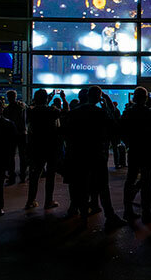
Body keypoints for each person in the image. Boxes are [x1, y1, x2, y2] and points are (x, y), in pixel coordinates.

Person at [62, 86, 126, 231]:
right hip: (96, 153)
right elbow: (114, 128)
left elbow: (66, 133)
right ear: (99, 97)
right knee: (103, 186)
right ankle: (109, 216)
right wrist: (107, 106)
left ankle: (83, 219)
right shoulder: (100, 112)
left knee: (81, 186)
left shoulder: (74, 112)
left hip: (78, 154)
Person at [120, 86, 151, 224]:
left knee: (130, 179)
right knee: (146, 181)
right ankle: (146, 212)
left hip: (134, 149)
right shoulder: (149, 112)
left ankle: (127, 209)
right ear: (145, 98)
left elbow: (122, 130)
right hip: (147, 150)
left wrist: (129, 143)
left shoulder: (128, 112)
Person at [25, 89, 61, 210]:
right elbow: (63, 113)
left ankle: (30, 200)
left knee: (34, 175)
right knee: (50, 175)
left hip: (36, 146)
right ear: (46, 99)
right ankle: (48, 201)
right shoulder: (53, 111)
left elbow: (36, 107)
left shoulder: (31, 111)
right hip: (51, 146)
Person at [4, 90, 28, 185]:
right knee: (23, 156)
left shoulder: (7, 109)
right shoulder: (22, 107)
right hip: (22, 133)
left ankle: (12, 177)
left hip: (12, 135)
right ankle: (22, 175)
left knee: (11, 156)